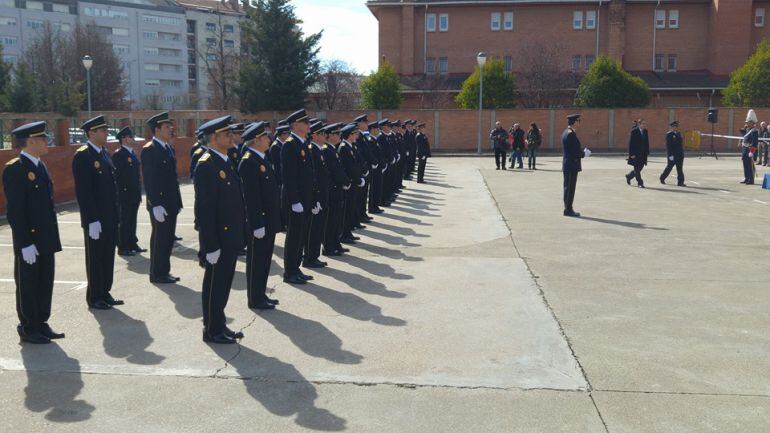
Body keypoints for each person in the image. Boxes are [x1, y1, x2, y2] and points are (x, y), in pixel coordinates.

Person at [3, 121, 63, 343]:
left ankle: (41, 322)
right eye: (43, 138)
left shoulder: (40, 165)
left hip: (46, 236)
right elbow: (15, 212)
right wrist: (24, 242)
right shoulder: (15, 169)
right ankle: (29, 327)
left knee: (45, 281)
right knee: (28, 283)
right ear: (30, 141)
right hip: (30, 240)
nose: (47, 142)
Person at [194, 116, 245, 344]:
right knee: (215, 284)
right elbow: (205, 210)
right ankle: (211, 329)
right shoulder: (207, 164)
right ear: (214, 138)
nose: (231, 137)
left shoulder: (224, 160)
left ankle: (220, 324)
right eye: (226, 134)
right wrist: (210, 245)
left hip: (230, 235)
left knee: (224, 284)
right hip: (219, 238)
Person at [72, 115, 122, 309]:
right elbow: (84, 192)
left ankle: (105, 292)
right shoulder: (83, 155)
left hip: (109, 216)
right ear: (91, 133)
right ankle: (95, 296)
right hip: (96, 219)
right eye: (102, 130)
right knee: (95, 258)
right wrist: (91, 219)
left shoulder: (103, 153)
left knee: (107, 256)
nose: (106, 132)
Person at [239, 121, 281, 310]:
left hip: (268, 219)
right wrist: (257, 223)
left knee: (265, 259)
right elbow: (251, 197)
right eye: (265, 136)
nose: (268, 139)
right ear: (256, 140)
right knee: (257, 261)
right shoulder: (249, 162)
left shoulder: (261, 158)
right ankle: (255, 299)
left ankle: (261, 294)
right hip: (259, 221)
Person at [141, 112, 183, 284]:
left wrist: (177, 201)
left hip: (170, 203)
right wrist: (155, 204)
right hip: (160, 204)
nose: (170, 129)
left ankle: (164, 271)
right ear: (157, 130)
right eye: (167, 127)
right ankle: (157, 273)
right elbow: (150, 179)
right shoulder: (150, 150)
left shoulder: (168, 148)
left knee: (167, 239)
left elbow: (172, 178)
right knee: (160, 239)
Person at [281, 109, 320, 285]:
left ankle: (296, 268)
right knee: (294, 236)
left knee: (302, 235)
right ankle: (289, 271)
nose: (309, 125)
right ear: (296, 125)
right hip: (295, 201)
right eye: (306, 123)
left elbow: (309, 175)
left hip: (305, 199)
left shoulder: (302, 143)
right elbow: (289, 177)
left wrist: (313, 198)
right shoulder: (290, 145)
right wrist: (295, 201)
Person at [112, 127, 145, 256]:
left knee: (132, 220)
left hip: (134, 193)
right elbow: (117, 176)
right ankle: (123, 246)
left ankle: (132, 243)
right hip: (124, 194)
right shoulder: (119, 154)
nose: (132, 139)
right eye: (130, 137)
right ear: (124, 139)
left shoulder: (131, 153)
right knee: (124, 221)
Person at [322, 123, 352, 256]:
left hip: (337, 188)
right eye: (335, 134)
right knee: (331, 220)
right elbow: (334, 170)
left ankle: (335, 243)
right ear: (329, 136)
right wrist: (345, 181)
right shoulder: (326, 150)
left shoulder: (332, 148)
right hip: (332, 189)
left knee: (336, 219)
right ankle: (329, 246)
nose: (339, 136)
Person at [303, 120, 330, 269]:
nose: (324, 136)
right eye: (321, 133)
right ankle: (309, 257)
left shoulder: (318, 149)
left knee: (318, 227)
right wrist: (316, 197)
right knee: (313, 229)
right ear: (314, 135)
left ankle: (314, 255)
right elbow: (313, 176)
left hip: (322, 195)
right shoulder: (311, 150)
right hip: (317, 195)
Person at [339, 124, 365, 244]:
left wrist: (360, 177)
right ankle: (344, 234)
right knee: (347, 210)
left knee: (350, 209)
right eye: (354, 134)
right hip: (349, 184)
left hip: (354, 182)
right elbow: (349, 168)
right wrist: (358, 179)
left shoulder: (350, 146)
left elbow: (357, 164)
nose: (356, 136)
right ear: (349, 135)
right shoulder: (344, 148)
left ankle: (347, 232)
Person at [562, 114, 590, 217]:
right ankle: (568, 209)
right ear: (574, 122)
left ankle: (568, 208)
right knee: (570, 188)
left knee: (567, 187)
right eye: (578, 121)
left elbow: (572, 149)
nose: (579, 123)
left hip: (569, 163)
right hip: (571, 164)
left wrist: (581, 152)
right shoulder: (570, 134)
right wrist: (584, 154)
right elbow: (574, 152)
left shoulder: (567, 132)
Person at [659, 121, 686, 187]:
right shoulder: (669, 134)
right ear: (671, 127)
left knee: (679, 169)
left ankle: (680, 182)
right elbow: (668, 146)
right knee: (669, 168)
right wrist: (670, 155)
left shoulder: (679, 134)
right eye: (674, 126)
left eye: (676, 126)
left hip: (679, 154)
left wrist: (682, 153)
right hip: (672, 155)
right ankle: (662, 178)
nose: (675, 128)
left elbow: (681, 145)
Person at [625, 119, 650, 188]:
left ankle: (629, 176)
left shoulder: (645, 131)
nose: (644, 125)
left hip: (643, 154)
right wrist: (631, 154)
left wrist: (647, 151)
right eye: (643, 124)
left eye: (645, 124)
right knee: (637, 169)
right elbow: (631, 143)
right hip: (635, 154)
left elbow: (647, 142)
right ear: (639, 124)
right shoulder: (634, 131)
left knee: (639, 168)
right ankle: (640, 183)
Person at [740, 110, 758, 185]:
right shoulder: (747, 129)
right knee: (745, 164)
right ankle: (747, 178)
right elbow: (743, 135)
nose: (747, 123)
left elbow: (754, 142)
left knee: (750, 165)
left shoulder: (754, 131)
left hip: (750, 149)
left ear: (752, 123)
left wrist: (752, 151)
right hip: (745, 149)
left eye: (748, 122)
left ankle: (751, 180)